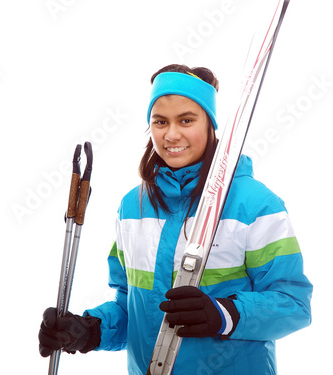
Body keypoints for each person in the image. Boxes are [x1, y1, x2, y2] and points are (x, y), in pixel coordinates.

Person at [38, 64, 313, 374]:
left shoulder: (255, 205)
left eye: (186, 120)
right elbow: (132, 307)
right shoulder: (133, 207)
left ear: (210, 124)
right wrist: (90, 330)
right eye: (160, 121)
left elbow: (293, 303)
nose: (171, 134)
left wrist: (225, 313)